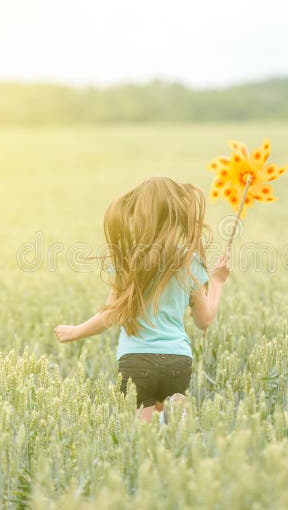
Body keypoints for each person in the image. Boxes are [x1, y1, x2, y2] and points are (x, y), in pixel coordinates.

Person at [54, 176, 231, 423]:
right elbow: (204, 321)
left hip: (135, 359)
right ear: (176, 215)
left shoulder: (127, 262)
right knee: (179, 433)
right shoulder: (190, 262)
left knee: (140, 437)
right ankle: (176, 429)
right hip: (177, 360)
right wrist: (218, 282)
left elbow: (111, 315)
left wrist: (75, 331)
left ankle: (152, 433)